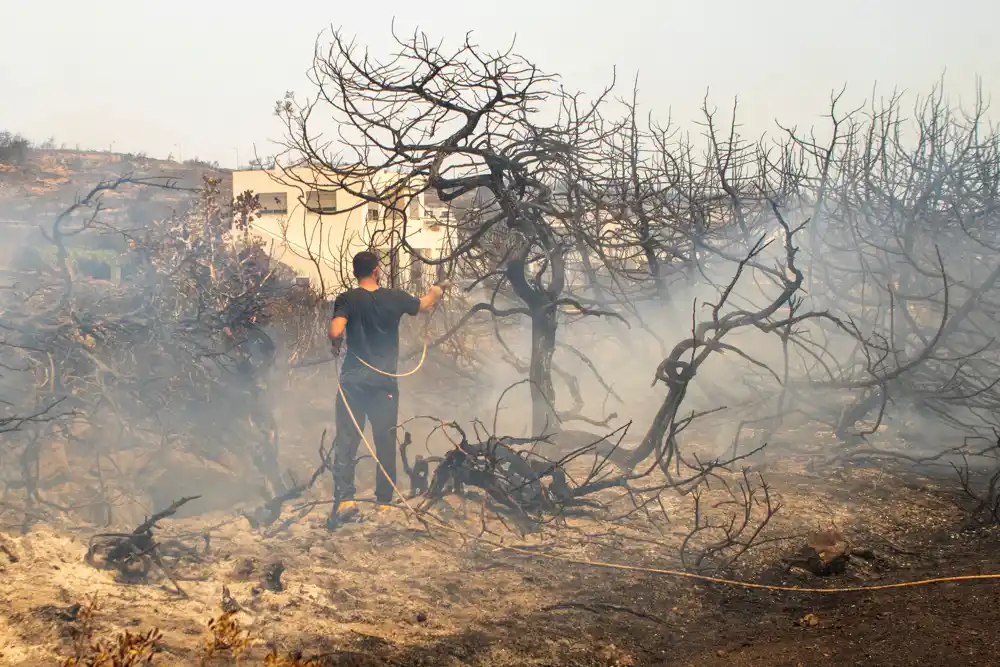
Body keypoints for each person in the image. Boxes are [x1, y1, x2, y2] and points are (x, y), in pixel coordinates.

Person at [327, 250, 448, 527]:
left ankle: (346, 499)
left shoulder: (346, 299)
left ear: (355, 271)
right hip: (384, 384)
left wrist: (335, 342)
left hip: (353, 381)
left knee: (347, 440)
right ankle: (384, 502)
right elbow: (425, 305)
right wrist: (437, 289)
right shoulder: (395, 297)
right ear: (377, 270)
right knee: (384, 441)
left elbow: (335, 331)